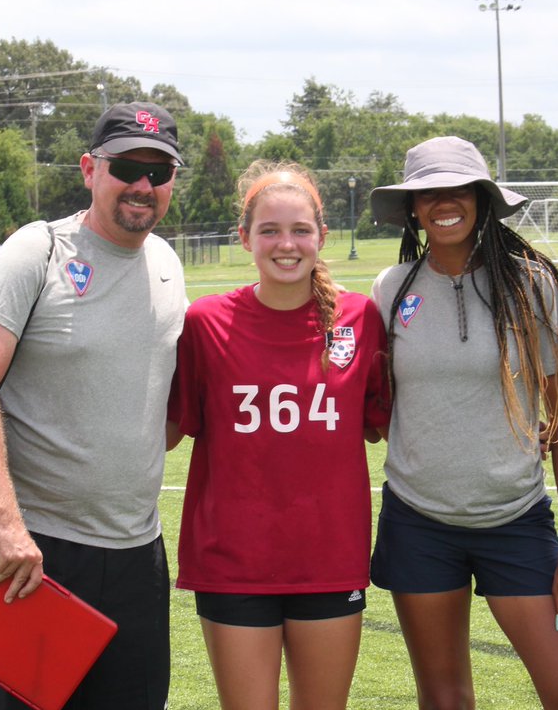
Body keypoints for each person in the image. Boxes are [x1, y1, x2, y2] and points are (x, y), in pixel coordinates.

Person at [0, 101, 187, 710]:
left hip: (139, 555)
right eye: (127, 166)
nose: (142, 185)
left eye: (158, 173)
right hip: (36, 552)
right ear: (89, 169)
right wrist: (4, 524)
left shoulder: (167, 263)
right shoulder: (37, 250)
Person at [366, 136, 558, 709]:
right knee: (445, 700)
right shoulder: (391, 290)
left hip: (516, 522)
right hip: (418, 524)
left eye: (458, 189)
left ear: (482, 198)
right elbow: (374, 410)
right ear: (413, 209)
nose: (444, 202)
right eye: (428, 193)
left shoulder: (531, 285)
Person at [166, 162, 390, 710]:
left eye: (299, 230)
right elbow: (171, 428)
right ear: (244, 238)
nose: (285, 244)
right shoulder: (205, 321)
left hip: (329, 557)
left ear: (322, 236)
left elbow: (377, 423)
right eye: (269, 230)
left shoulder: (360, 319)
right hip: (231, 560)